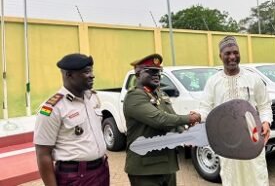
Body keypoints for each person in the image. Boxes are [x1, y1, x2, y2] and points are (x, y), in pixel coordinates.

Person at [196, 36, 273, 186]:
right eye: (228, 53)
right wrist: (197, 116)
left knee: (257, 176)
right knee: (231, 178)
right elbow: (205, 107)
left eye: (235, 52)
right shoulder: (213, 81)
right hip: (227, 140)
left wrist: (266, 122)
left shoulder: (253, 79)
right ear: (220, 56)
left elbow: (264, 105)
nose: (232, 57)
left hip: (252, 136)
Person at [124, 53, 201, 186]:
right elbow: (161, 120)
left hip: (167, 164)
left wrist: (185, 134)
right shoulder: (135, 96)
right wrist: (189, 118)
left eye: (159, 72)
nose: (157, 75)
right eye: (151, 71)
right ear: (138, 74)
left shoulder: (161, 94)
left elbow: (172, 119)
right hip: (145, 169)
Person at [34, 53, 109, 186]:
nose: (92, 75)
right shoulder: (52, 108)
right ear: (69, 75)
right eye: (86, 72)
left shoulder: (92, 97)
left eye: (91, 70)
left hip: (101, 170)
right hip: (75, 177)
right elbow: (43, 154)